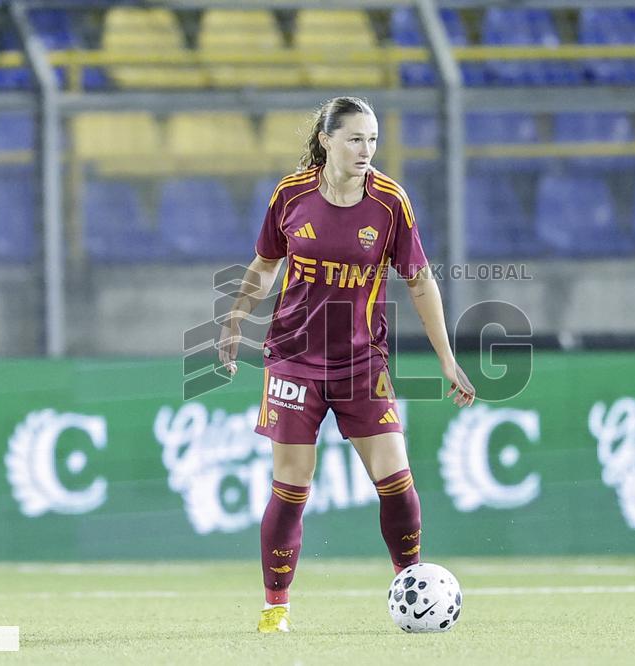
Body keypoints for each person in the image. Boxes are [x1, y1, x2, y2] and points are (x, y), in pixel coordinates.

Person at [217, 96, 476, 633]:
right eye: (355, 139)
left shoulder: (389, 203)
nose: (366, 150)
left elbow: (421, 281)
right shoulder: (290, 195)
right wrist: (237, 314)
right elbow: (266, 263)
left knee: (397, 480)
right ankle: (275, 609)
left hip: (363, 363)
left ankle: (413, 585)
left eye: (374, 140)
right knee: (291, 485)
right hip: (293, 360)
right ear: (326, 141)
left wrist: (447, 359)